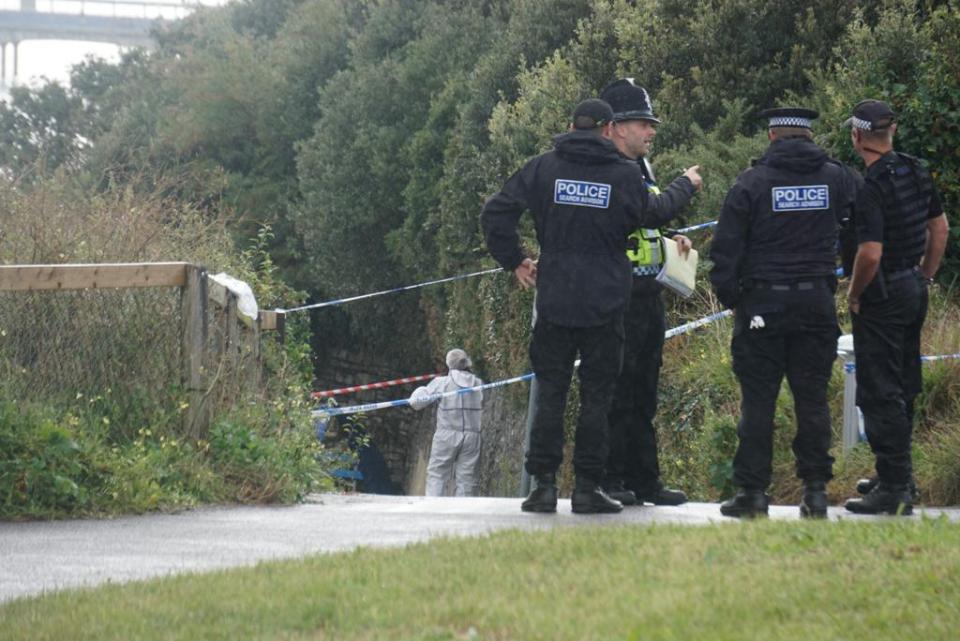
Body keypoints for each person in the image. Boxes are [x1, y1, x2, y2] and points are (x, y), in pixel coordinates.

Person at [481, 98, 702, 514]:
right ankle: (586, 487)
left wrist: (516, 260)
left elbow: (496, 212)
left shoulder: (543, 168)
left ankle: (543, 486)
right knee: (597, 398)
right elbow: (654, 212)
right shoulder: (622, 175)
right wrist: (685, 185)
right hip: (605, 303)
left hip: (555, 299)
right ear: (607, 129)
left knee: (551, 392)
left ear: (570, 125)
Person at [710, 107, 859, 519]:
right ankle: (815, 492)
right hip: (815, 304)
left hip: (762, 307)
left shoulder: (751, 182)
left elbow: (724, 252)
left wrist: (733, 299)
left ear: (773, 137)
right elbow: (861, 228)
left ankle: (753, 494)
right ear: (809, 137)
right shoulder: (837, 177)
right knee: (812, 401)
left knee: (758, 402)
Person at [841, 100, 948, 516]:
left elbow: (869, 253)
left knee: (879, 389)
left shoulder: (871, 186)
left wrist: (854, 293)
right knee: (903, 382)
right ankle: (895, 474)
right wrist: (925, 275)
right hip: (913, 287)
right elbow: (938, 228)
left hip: (882, 295)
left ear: (857, 136)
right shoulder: (916, 169)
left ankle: (896, 488)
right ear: (892, 132)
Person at [598, 77, 693, 507]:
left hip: (647, 296)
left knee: (643, 392)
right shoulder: (605, 167)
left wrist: (672, 238)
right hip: (615, 297)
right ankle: (612, 478)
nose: (651, 131)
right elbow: (639, 210)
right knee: (615, 393)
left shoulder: (641, 167)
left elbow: (644, 219)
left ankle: (645, 481)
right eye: (642, 123)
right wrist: (686, 186)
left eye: (651, 123)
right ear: (616, 127)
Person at [409, 348, 483, 497]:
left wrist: (422, 389)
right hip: (473, 437)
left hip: (446, 435)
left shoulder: (442, 383)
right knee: (467, 480)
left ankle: (434, 511)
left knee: (438, 474)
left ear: (449, 364)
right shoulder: (479, 383)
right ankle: (463, 515)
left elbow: (416, 403)